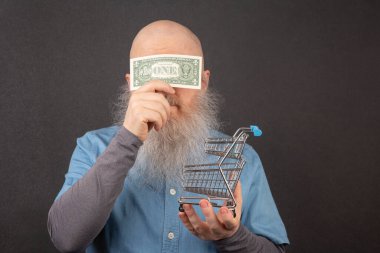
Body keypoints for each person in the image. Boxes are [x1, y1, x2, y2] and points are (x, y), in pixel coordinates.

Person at [47, 20, 289, 253]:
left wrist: (231, 238)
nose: (167, 89)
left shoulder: (241, 157)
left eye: (181, 73)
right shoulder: (93, 147)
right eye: (153, 75)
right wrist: (127, 140)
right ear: (132, 84)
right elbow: (65, 240)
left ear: (203, 82)